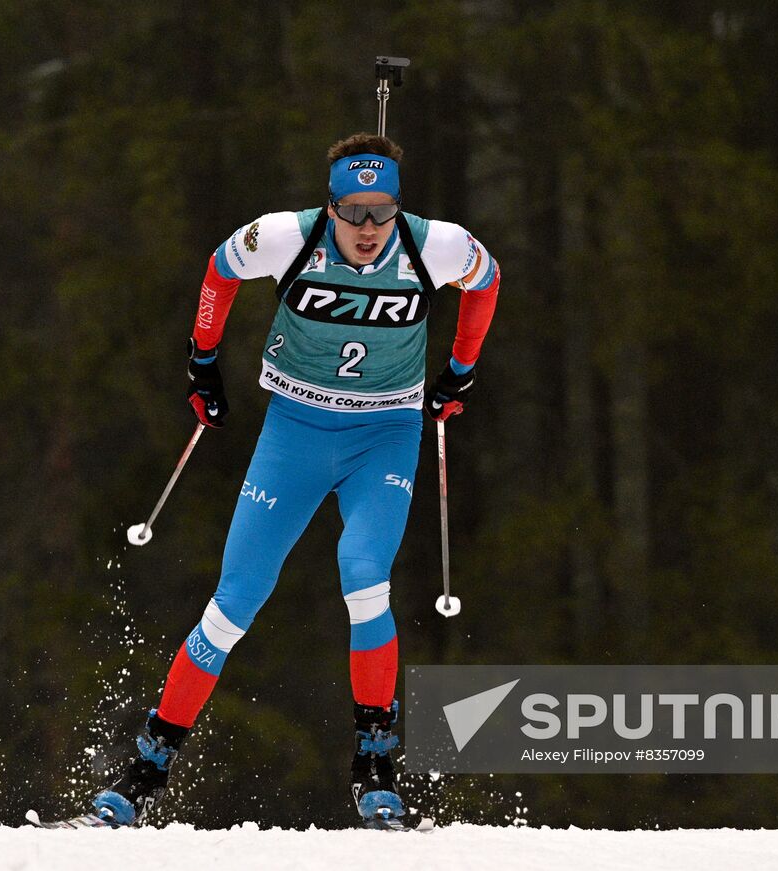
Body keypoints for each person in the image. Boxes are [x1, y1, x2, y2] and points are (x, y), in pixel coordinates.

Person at [94, 132, 501, 827]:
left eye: (382, 213)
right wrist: (202, 361)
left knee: (363, 573)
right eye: (353, 212)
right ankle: (144, 769)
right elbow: (220, 272)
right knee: (234, 602)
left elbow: (486, 280)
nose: (369, 229)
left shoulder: (434, 245)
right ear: (330, 206)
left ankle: (375, 762)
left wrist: (461, 368)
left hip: (385, 434)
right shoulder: (285, 237)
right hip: (296, 433)